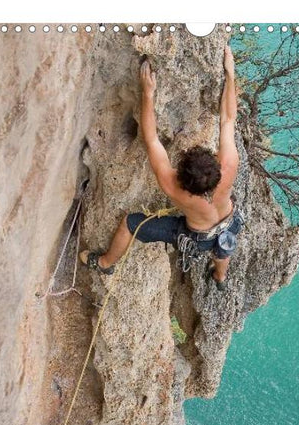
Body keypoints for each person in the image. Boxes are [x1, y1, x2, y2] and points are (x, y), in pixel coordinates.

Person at [80, 46, 242, 291]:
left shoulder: (174, 187)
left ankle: (105, 263)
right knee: (224, 244)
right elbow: (228, 118)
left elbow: (152, 140)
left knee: (130, 223)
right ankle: (219, 277)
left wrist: (148, 93)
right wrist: (230, 73)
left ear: (182, 178)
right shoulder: (229, 164)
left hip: (197, 238)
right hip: (230, 223)